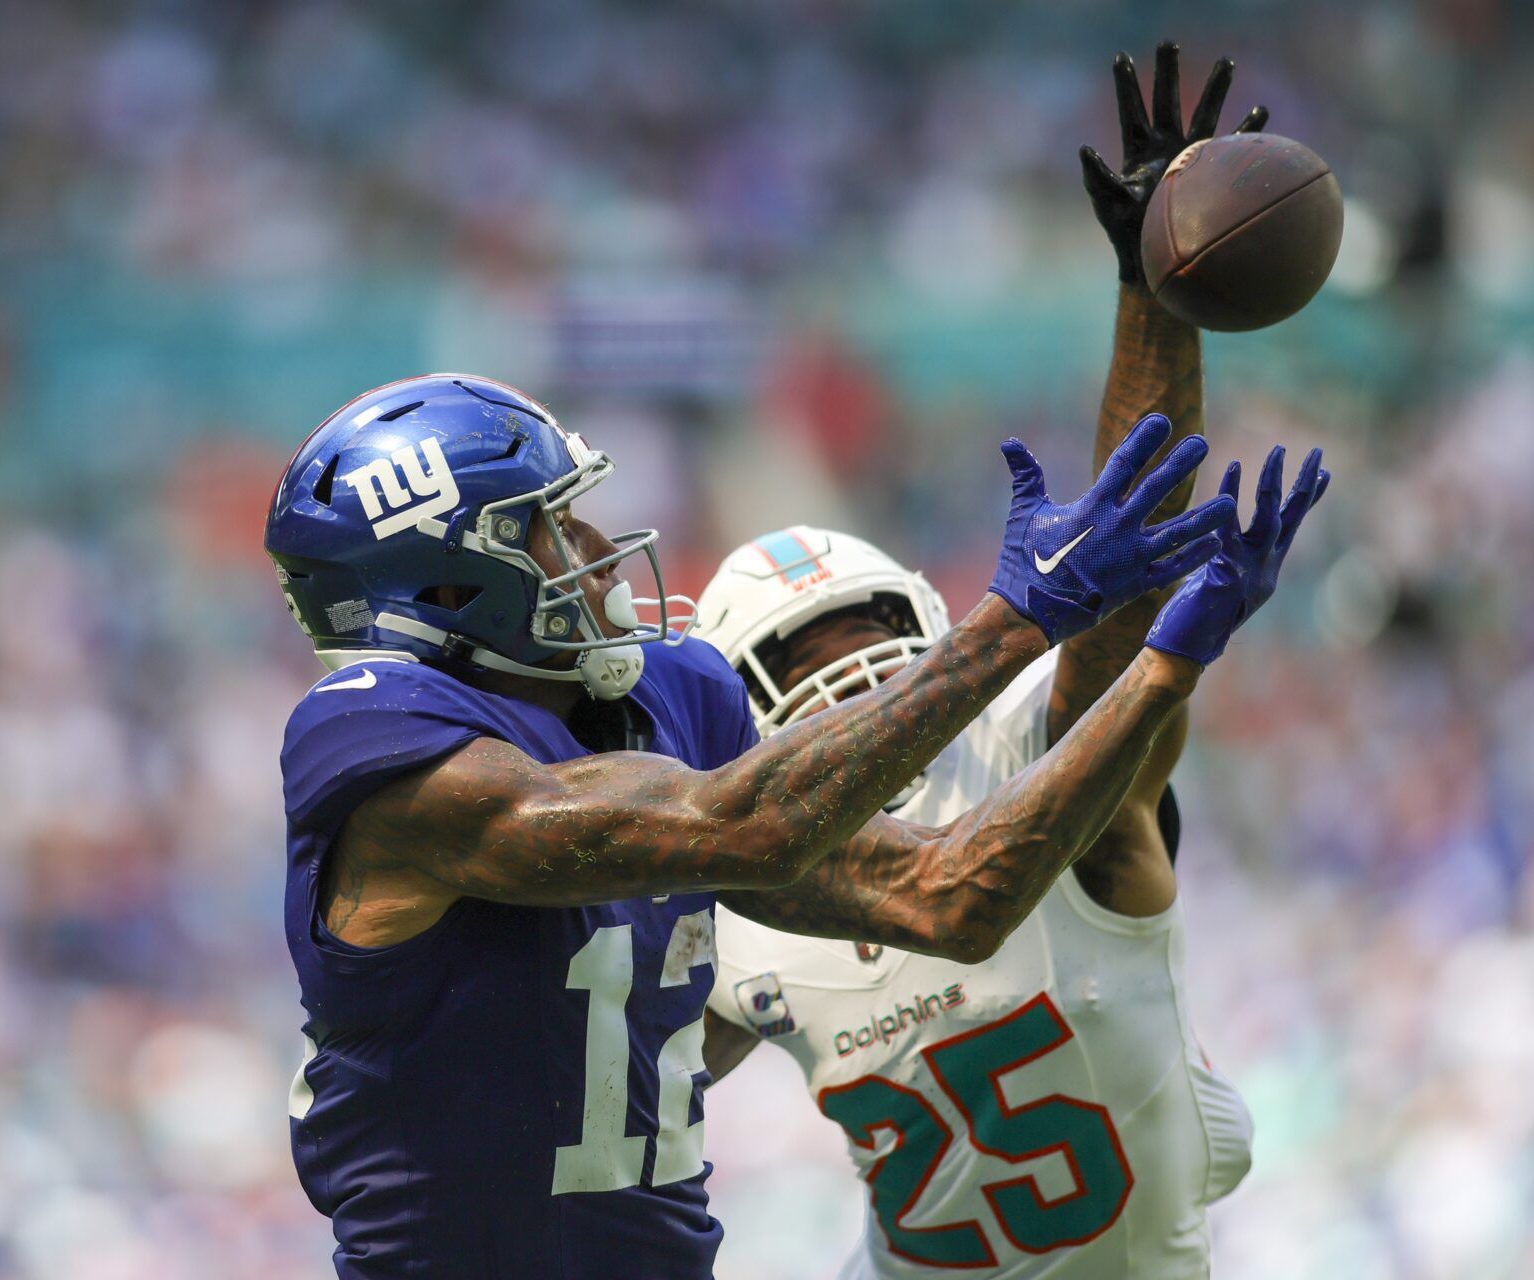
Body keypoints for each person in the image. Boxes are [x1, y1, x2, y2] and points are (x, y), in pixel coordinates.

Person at [267, 360, 1320, 1275]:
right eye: (546, 524)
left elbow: (946, 893)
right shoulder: (376, 746)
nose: (593, 538)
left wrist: (1165, 665)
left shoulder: (665, 695)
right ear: (449, 588)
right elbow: (740, 826)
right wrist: (1016, 621)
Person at [693, 45, 1300, 1278]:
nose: (847, 680)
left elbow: (1126, 572)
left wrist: (1151, 294)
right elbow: (598, 1077)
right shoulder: (722, 889)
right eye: (803, 659)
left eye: (865, 637)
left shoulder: (1005, 746)